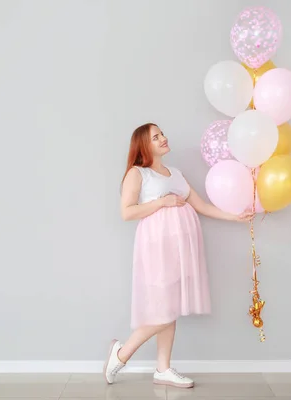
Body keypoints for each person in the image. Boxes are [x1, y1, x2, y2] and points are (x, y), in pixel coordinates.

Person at [103, 123, 253, 388]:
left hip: (181, 249)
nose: (163, 138)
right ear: (144, 145)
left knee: (169, 305)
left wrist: (236, 217)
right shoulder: (138, 174)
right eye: (156, 137)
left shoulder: (176, 174)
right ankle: (121, 354)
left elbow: (202, 206)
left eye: (162, 134)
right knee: (163, 307)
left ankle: (163, 368)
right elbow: (126, 212)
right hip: (156, 247)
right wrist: (163, 202)